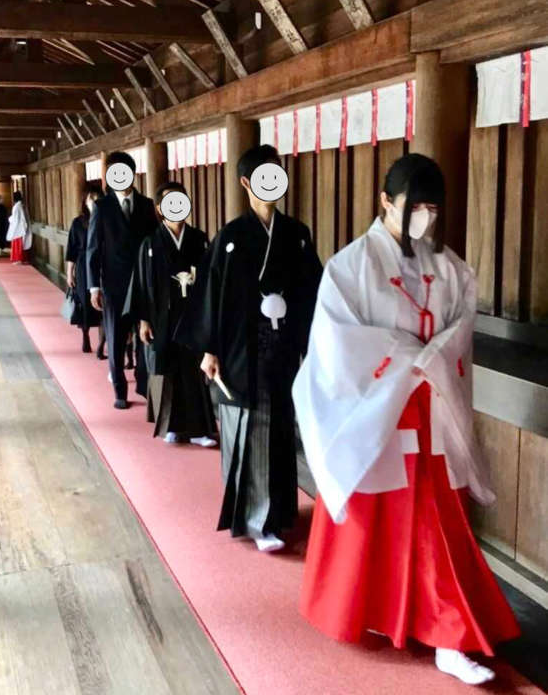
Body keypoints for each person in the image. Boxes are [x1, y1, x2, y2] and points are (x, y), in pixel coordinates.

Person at [293, 154, 519, 684]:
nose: (423, 217)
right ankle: (373, 612)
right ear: (385, 203)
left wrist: (431, 357)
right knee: (375, 520)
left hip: (431, 408)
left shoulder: (449, 267)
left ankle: (447, 634)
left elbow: (461, 327)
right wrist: (406, 358)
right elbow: (335, 343)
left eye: (431, 208)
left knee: (435, 524)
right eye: (413, 206)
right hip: (377, 412)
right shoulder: (349, 267)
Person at [177, 144, 322, 552]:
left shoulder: (296, 234)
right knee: (253, 427)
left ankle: (280, 512)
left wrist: (314, 340)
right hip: (243, 347)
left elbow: (313, 289)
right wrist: (208, 349)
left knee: (280, 429)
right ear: (246, 183)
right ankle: (258, 520)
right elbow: (210, 293)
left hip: (283, 346)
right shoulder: (231, 237)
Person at [127, 182, 217, 447]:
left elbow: (211, 279)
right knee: (163, 370)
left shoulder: (199, 239)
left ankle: (200, 429)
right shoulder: (150, 243)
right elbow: (142, 284)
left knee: (192, 371)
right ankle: (170, 426)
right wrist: (143, 320)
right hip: (160, 317)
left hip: (192, 315)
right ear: (159, 209)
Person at [86, 152, 158, 409]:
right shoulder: (102, 207)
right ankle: (119, 389)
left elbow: (154, 243)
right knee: (116, 338)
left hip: (143, 284)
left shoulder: (147, 205)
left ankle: (143, 384)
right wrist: (94, 286)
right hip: (114, 285)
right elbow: (93, 248)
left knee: (145, 336)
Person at [66, 183, 103, 353]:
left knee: (103, 306)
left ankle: (102, 343)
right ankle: (85, 335)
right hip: (82, 266)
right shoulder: (78, 222)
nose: (94, 201)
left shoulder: (106, 220)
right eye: (91, 198)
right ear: (85, 200)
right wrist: (69, 273)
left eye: (97, 198)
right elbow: (71, 250)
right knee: (85, 303)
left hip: (103, 265)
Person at [7, 191, 32, 264]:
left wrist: (9, 219)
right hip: (22, 227)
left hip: (18, 228)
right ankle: (22, 259)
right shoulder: (22, 205)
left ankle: (18, 259)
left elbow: (16, 218)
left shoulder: (17, 206)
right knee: (22, 244)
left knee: (18, 244)